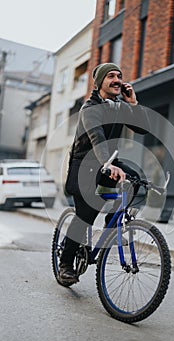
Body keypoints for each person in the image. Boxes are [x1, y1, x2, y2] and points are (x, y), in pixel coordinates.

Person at [60, 62, 150, 282]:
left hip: (109, 162)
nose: (117, 80)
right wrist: (107, 164)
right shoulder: (89, 108)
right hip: (85, 165)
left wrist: (134, 103)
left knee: (138, 182)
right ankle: (65, 263)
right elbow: (97, 139)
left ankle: (113, 224)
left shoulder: (119, 107)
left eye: (119, 76)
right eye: (111, 76)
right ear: (100, 82)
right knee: (86, 215)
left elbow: (143, 129)